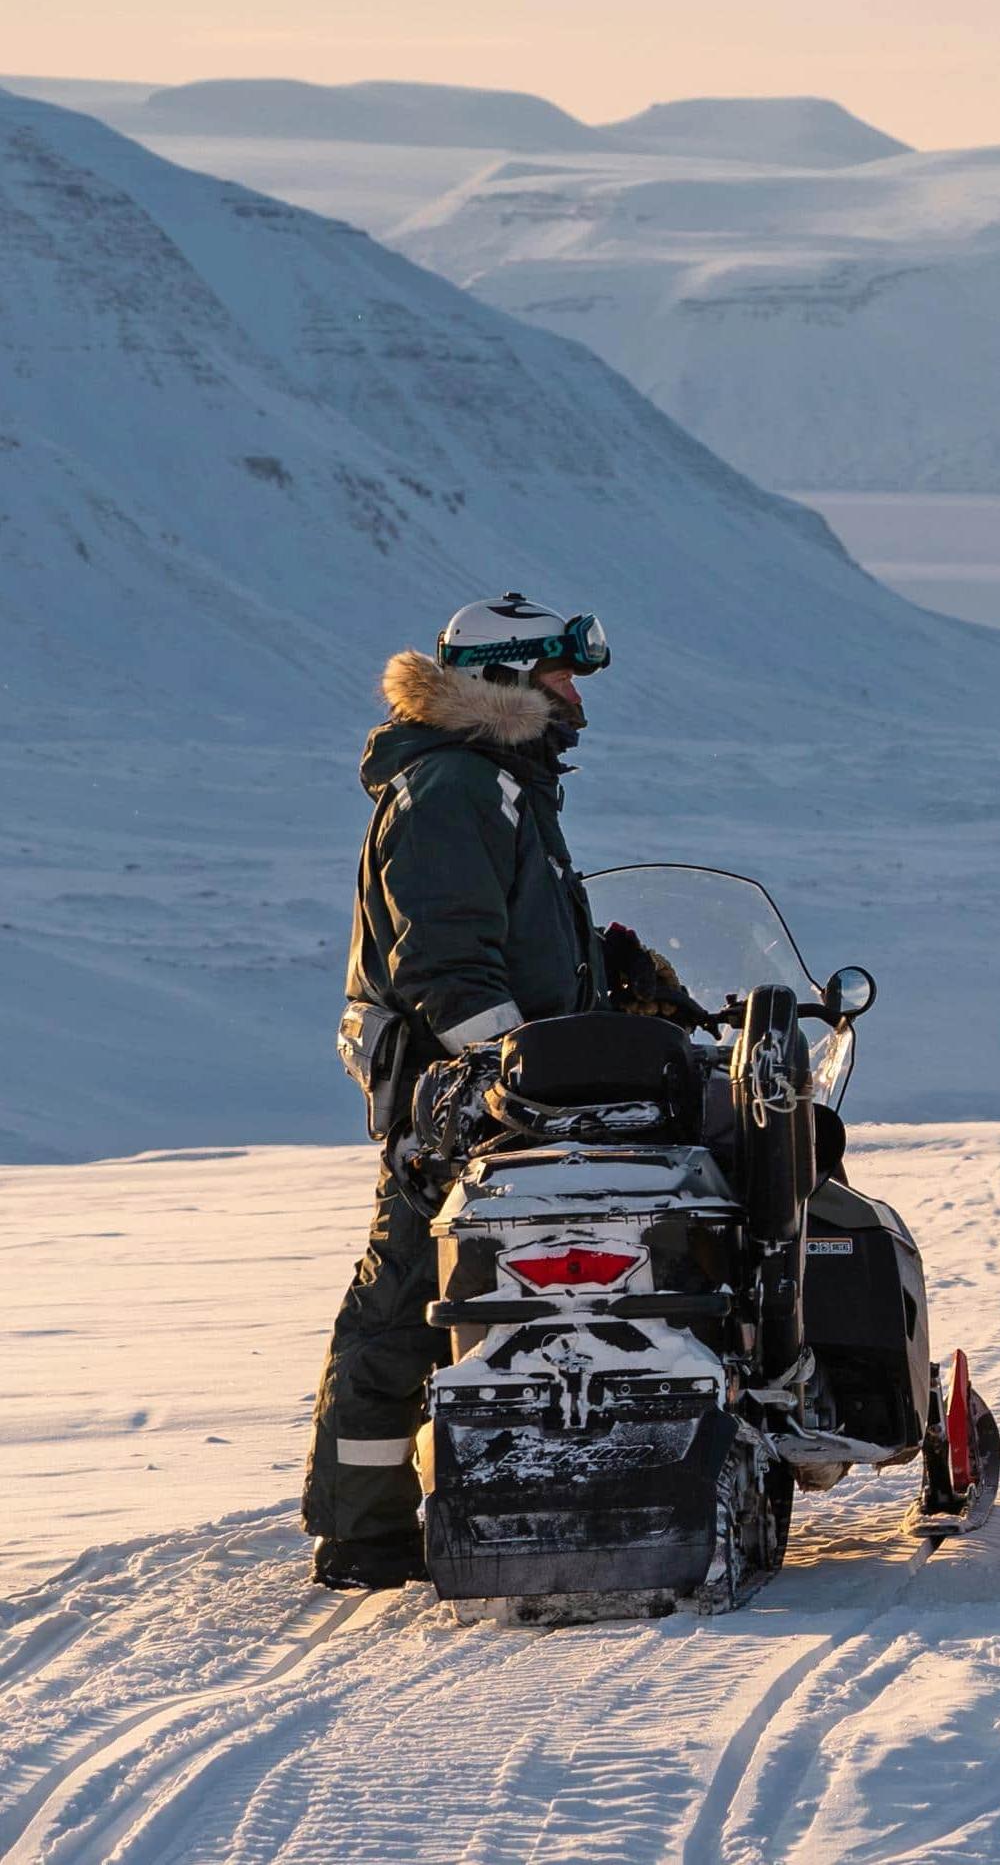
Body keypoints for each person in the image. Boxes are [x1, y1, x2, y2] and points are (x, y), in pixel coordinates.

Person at [306, 593, 661, 1589]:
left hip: (507, 1096)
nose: (573, 692)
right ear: (503, 680)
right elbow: (450, 964)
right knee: (412, 1293)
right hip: (457, 1102)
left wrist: (613, 966)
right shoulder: (456, 787)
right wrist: (518, 1076)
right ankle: (364, 1527)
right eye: (558, 674)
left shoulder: (501, 787)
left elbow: (521, 936)